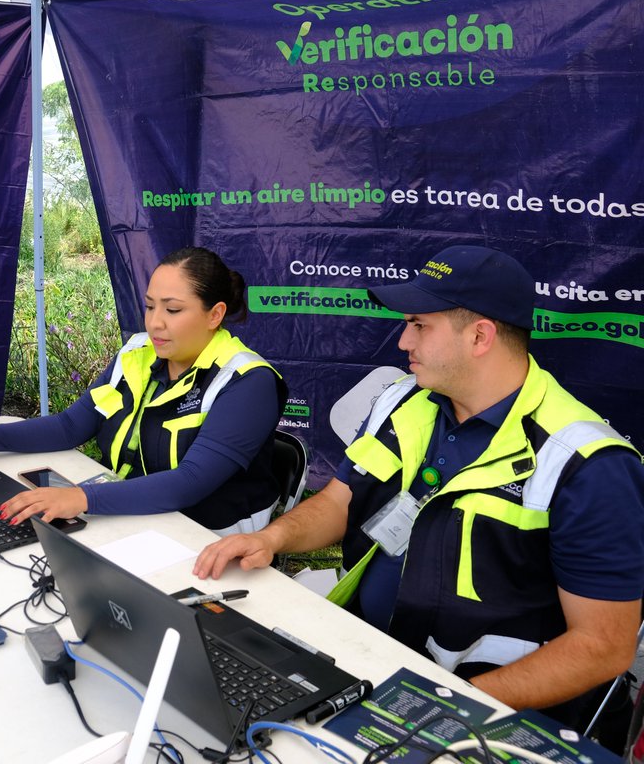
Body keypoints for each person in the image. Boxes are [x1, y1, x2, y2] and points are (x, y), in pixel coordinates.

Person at [194, 244, 644, 720]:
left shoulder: (589, 465)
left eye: (419, 325)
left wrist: (449, 704)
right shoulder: (404, 400)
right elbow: (342, 499)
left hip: (486, 707)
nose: (404, 342)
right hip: (368, 657)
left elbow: (603, 646)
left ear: (480, 336)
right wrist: (271, 536)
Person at [0, 246, 287, 534]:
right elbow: (71, 426)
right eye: (150, 306)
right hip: (132, 513)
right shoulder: (137, 352)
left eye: (173, 309)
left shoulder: (247, 381)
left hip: (205, 536)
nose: (155, 322)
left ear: (215, 315)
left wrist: (81, 498)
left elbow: (190, 482)